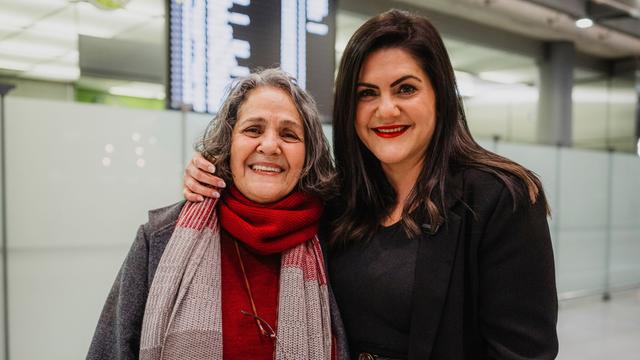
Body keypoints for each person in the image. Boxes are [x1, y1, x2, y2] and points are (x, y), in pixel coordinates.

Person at [183, 9, 558, 360]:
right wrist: (212, 176)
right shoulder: (339, 200)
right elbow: (266, 192)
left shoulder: (501, 198)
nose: (386, 109)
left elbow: (522, 353)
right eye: (367, 94)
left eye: (406, 89)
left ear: (440, 97)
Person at [87, 68, 349, 360]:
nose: (270, 146)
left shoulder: (336, 238)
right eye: (253, 130)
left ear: (309, 153)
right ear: (228, 143)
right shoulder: (160, 238)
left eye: (289, 134)